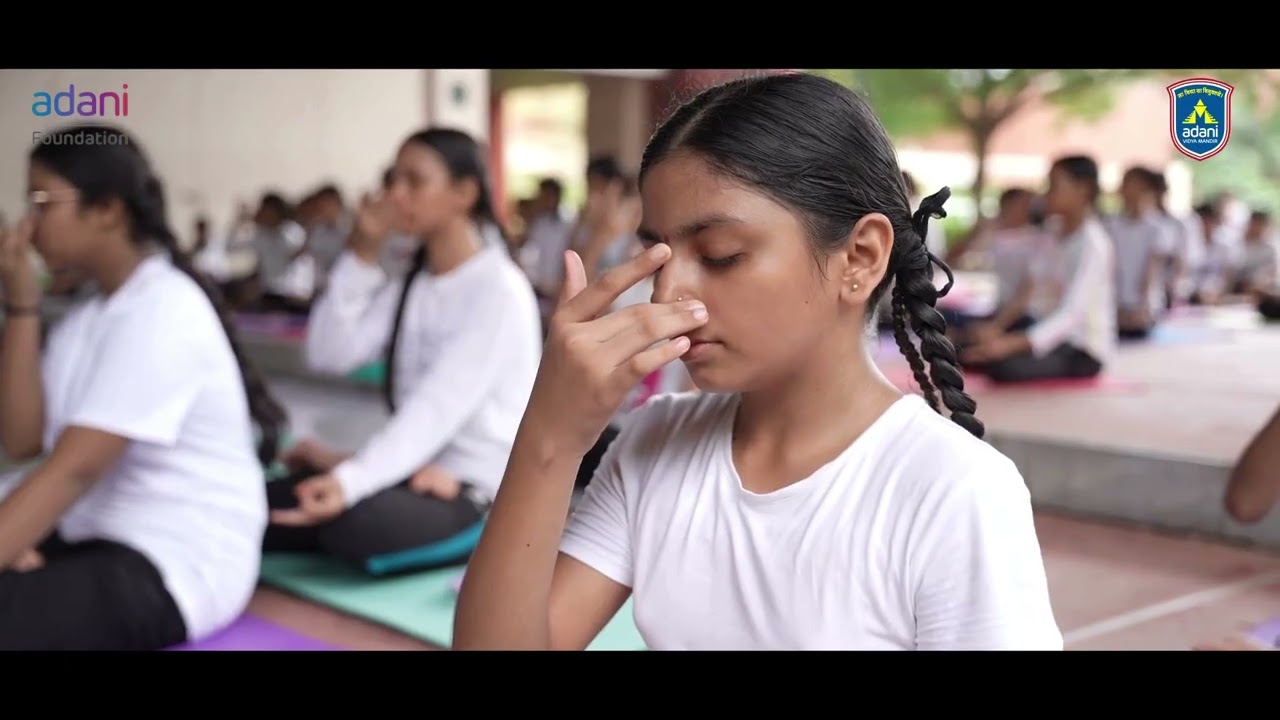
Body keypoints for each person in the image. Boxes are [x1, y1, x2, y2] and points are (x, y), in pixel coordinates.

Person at [452, 73, 1061, 651]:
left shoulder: (951, 490)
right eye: (659, 258)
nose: (668, 297)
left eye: (721, 255)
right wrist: (550, 437)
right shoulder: (655, 442)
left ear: (860, 257)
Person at [0, 125, 288, 650]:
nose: (29, 224)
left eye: (43, 203)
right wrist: (21, 305)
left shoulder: (164, 308)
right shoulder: (87, 317)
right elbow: (22, 443)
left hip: (169, 559)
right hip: (89, 534)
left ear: (107, 209)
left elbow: (74, 469)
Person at [266, 128, 542, 577]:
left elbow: (436, 406)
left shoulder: (498, 290)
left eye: (414, 181)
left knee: (353, 524)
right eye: (392, 180)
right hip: (411, 470)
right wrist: (362, 254)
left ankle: (463, 516)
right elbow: (327, 354)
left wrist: (350, 479)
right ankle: (366, 482)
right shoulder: (412, 283)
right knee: (265, 503)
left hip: (471, 486)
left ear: (464, 193)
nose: (395, 194)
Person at [962, 156, 1115, 383]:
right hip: (1041, 330)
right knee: (966, 345)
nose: (1047, 194)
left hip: (1079, 349)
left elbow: (1071, 315)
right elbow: (1029, 288)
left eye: (1054, 185)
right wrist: (996, 328)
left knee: (1002, 367)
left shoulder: (1094, 244)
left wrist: (1009, 345)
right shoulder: (1052, 233)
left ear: (1082, 190)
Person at [1108, 167, 1175, 340]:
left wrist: (1143, 307)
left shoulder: (1158, 228)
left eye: (1131, 184)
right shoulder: (1112, 226)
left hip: (1144, 309)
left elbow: (1151, 271)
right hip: (1115, 306)